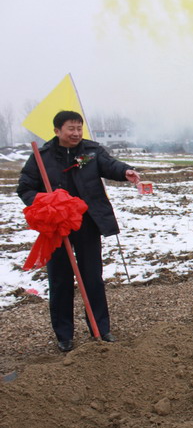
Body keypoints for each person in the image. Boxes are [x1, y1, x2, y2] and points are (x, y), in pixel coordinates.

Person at [17, 110, 140, 352]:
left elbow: (110, 165)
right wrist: (46, 204)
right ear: (57, 131)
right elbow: (25, 188)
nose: (76, 133)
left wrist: (125, 171)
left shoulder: (91, 151)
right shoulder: (41, 157)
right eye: (70, 129)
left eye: (79, 128)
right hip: (57, 226)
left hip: (87, 223)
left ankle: (100, 328)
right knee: (60, 279)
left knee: (92, 277)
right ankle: (64, 335)